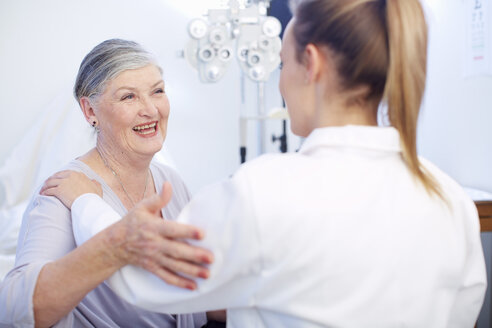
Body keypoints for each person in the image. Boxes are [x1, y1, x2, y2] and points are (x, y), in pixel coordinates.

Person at [36, 0, 488, 327]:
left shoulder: (266, 193)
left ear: (310, 64)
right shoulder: (448, 198)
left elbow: (141, 279)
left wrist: (85, 203)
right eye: (130, 96)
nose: (280, 83)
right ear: (89, 109)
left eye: (281, 63)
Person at [0, 39, 226, 327]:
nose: (151, 110)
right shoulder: (60, 194)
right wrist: (112, 247)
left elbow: (189, 295)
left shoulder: (171, 182)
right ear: (90, 111)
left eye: (157, 91)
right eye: (128, 97)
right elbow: (16, 309)